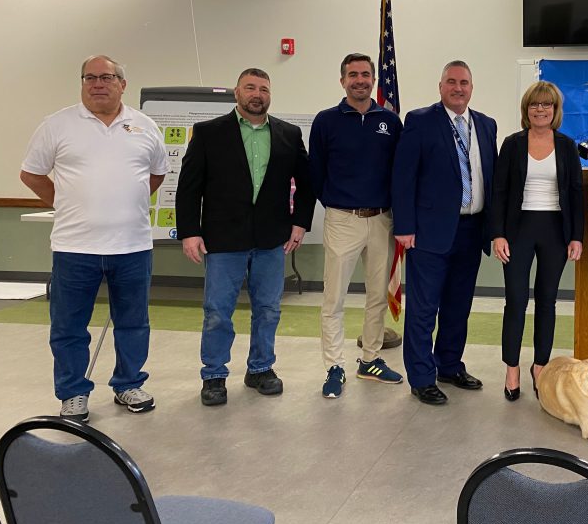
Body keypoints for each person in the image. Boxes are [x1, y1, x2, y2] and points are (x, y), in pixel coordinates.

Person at [20, 54, 168, 422]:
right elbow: (32, 175)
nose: (97, 83)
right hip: (74, 248)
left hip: (132, 247)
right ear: (82, 83)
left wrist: (123, 202)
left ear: (122, 84)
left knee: (133, 322)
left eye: (106, 77)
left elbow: (156, 176)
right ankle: (73, 394)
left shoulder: (145, 126)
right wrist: (67, 203)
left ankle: (128, 384)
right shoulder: (57, 125)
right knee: (69, 327)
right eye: (89, 77)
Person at [175, 68, 315, 406]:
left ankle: (261, 368)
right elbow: (189, 187)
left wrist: (300, 224)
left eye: (263, 89)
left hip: (272, 239)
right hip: (223, 239)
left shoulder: (288, 134)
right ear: (236, 93)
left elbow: (307, 183)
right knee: (218, 311)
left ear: (270, 95)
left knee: (268, 309)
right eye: (250, 87)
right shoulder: (209, 133)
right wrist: (190, 231)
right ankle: (214, 375)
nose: (257, 94)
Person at [392, 61, 497, 405]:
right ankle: (422, 377)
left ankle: (449, 365)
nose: (458, 88)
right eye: (451, 82)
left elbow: (490, 179)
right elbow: (403, 177)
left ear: (472, 87)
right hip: (428, 234)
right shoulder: (420, 121)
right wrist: (404, 226)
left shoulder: (485, 125)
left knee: (458, 306)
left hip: (472, 229)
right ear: (440, 86)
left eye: (464, 82)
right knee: (424, 309)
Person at [308, 52, 404, 398]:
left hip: (382, 220)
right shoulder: (326, 121)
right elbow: (315, 173)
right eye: (353, 75)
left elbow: (399, 172)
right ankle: (335, 366)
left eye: (366, 74)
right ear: (342, 80)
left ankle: (371, 360)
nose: (360, 80)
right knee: (333, 298)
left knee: (377, 295)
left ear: (374, 79)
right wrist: (337, 202)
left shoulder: (390, 122)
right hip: (342, 220)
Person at [492, 81, 583, 402]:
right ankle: (512, 368)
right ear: (526, 109)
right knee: (515, 301)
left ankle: (540, 366)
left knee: (547, 301)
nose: (540, 109)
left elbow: (575, 193)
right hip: (518, 230)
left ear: (555, 110)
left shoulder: (567, 146)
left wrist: (576, 237)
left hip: (555, 231)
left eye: (546, 105)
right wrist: (498, 233)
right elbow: (499, 191)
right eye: (534, 105)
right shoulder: (512, 144)